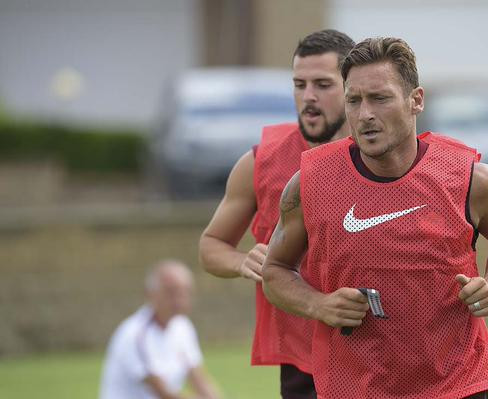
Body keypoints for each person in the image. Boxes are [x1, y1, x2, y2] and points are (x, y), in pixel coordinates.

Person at [262, 37, 488, 399]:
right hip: (353, 386)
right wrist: (319, 304)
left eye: (380, 98)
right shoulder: (310, 182)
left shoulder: (471, 180)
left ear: (416, 100)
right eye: (353, 100)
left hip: (455, 383)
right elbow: (275, 270)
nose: (364, 114)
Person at [198, 30, 355, 398]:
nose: (309, 97)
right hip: (302, 358)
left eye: (323, 84)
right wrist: (241, 261)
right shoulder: (260, 161)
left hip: (374, 348)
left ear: (351, 87)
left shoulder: (384, 157)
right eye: (299, 85)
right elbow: (210, 246)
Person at [99, 260, 221, 399]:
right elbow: (164, 393)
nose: (180, 300)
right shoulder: (135, 335)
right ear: (150, 293)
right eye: (171, 292)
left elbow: (198, 377)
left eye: (185, 292)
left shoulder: (183, 326)